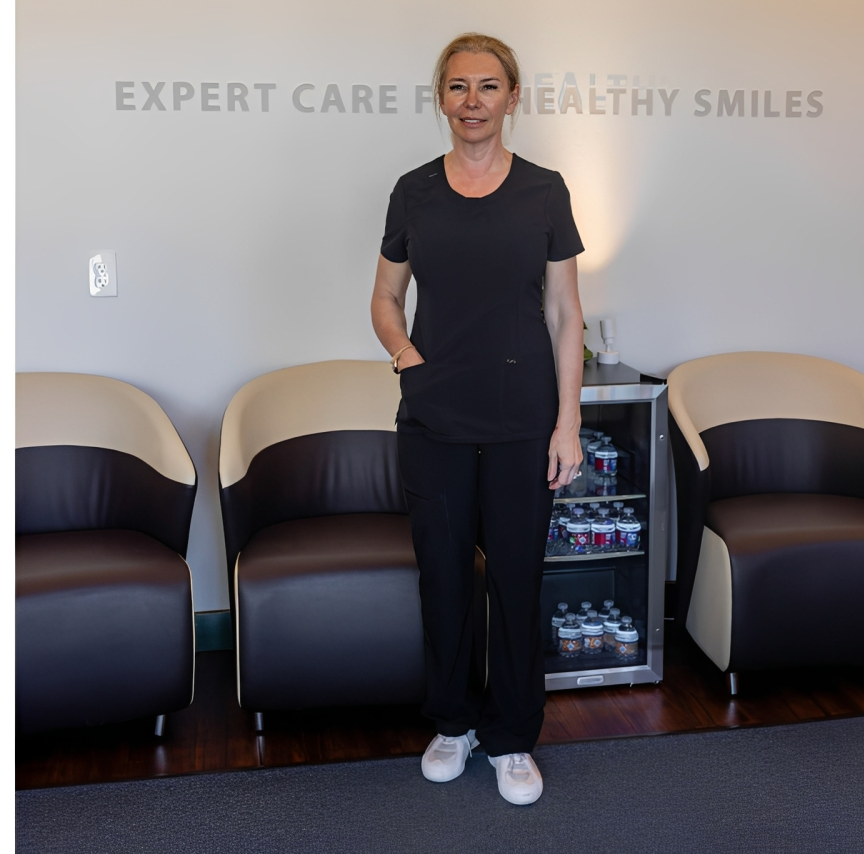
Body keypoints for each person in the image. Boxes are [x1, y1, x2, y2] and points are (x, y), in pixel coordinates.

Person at [369, 32, 585, 806]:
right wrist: (405, 355)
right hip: (436, 418)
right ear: (442, 98)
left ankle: (512, 738)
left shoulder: (546, 191)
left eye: (488, 87)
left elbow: (565, 314)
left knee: (520, 582)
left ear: (512, 97)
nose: (473, 102)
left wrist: (568, 424)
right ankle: (455, 723)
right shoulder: (413, 191)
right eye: (458, 87)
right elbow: (385, 297)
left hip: (525, 419)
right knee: (445, 580)